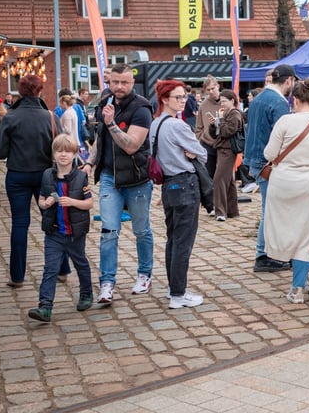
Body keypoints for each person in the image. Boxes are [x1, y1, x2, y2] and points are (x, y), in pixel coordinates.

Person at [81, 63, 155, 306]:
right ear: (109, 82)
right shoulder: (104, 104)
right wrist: (89, 163)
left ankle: (144, 274)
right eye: (115, 82)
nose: (119, 86)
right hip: (110, 178)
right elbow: (100, 141)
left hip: (137, 180)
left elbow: (132, 145)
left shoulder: (142, 108)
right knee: (108, 232)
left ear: (132, 83)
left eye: (124, 82)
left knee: (141, 230)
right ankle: (107, 282)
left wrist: (112, 123)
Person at [264, 79, 309, 303]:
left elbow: (269, 153)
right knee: (306, 235)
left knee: (283, 230)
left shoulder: (285, 121)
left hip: (283, 181)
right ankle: (298, 287)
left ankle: (299, 276)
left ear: (293, 99)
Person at [0, 74, 68, 288]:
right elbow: (61, 146)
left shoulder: (11, 116)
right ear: (39, 91)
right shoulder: (50, 116)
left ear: (20, 92)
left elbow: (0, 153)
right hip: (45, 175)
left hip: (17, 175)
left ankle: (17, 276)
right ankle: (62, 269)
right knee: (53, 220)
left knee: (20, 223)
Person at [151, 80, 209, 308]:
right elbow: (201, 153)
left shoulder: (156, 123)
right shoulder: (177, 126)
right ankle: (178, 294)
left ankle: (173, 287)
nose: (183, 101)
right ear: (165, 99)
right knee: (183, 242)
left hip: (168, 185)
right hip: (184, 183)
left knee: (173, 239)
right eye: (178, 97)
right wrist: (194, 155)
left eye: (184, 96)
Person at [27, 134, 94, 322]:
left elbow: (89, 204)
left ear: (74, 154)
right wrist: (45, 203)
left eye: (67, 151)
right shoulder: (47, 175)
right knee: (50, 268)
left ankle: (86, 294)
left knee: (81, 264)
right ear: (54, 154)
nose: (63, 155)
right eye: (59, 151)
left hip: (75, 233)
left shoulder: (81, 177)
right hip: (54, 232)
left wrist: (72, 201)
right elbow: (41, 199)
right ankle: (45, 307)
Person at [243, 64, 295, 273]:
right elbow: (284, 137)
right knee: (271, 212)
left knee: (270, 210)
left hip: (256, 159)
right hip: (269, 162)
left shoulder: (258, 99)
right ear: (289, 80)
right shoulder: (279, 103)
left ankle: (268, 253)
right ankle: (263, 255)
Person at [209, 89, 243, 221]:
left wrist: (221, 120)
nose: (221, 104)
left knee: (219, 180)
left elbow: (228, 131)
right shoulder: (227, 113)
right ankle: (232, 210)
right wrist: (214, 124)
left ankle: (220, 211)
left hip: (228, 150)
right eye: (221, 101)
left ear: (232, 101)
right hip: (222, 149)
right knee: (229, 181)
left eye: (224, 101)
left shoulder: (235, 114)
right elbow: (216, 134)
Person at [195, 75, 222, 179]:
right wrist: (201, 138)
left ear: (218, 86)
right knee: (208, 175)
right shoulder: (203, 105)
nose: (211, 92)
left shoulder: (226, 101)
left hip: (224, 144)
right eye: (208, 90)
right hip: (208, 145)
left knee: (223, 177)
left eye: (212, 88)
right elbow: (199, 126)